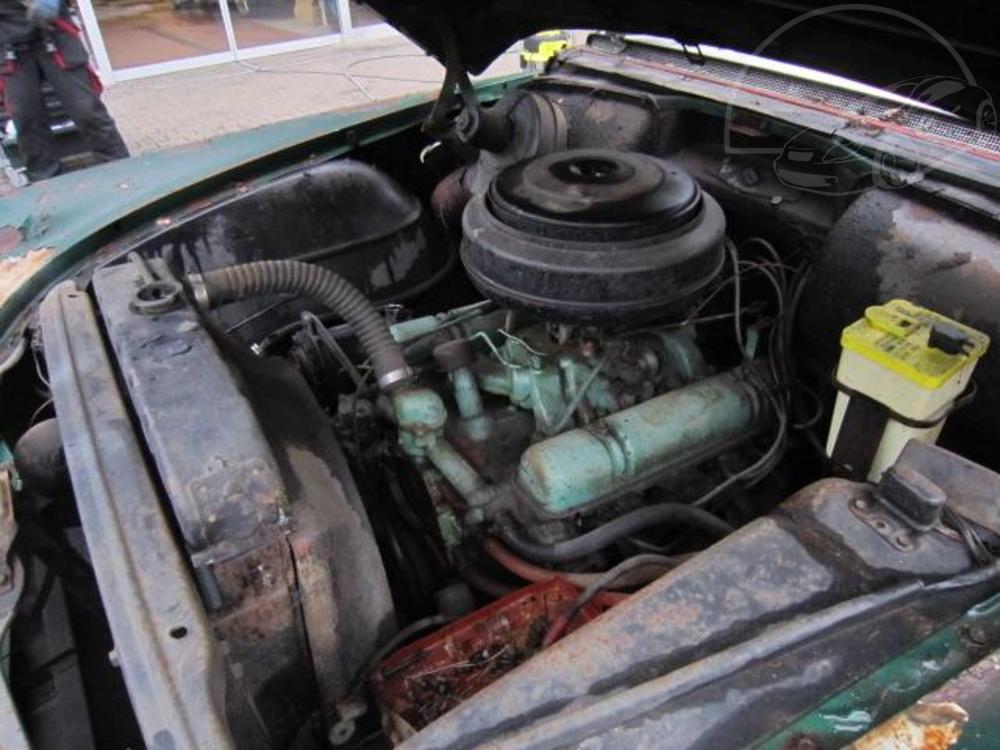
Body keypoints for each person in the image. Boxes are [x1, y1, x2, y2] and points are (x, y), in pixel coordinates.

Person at [0, 0, 128, 180]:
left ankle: (121, 167)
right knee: (25, 117)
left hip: (54, 32)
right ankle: (45, 181)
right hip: (8, 42)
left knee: (86, 108)